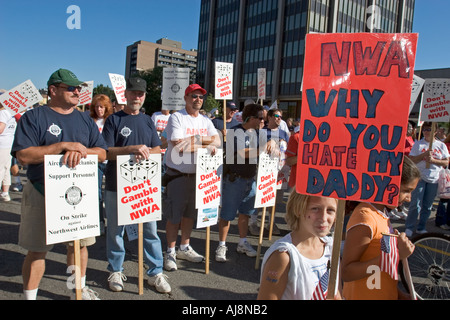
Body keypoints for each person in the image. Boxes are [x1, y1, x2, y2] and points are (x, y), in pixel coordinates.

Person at [11, 68, 107, 300]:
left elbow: (102, 153)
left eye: (79, 88)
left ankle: (77, 291)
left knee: (78, 246)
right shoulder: (33, 117)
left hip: (78, 195)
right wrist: (62, 146)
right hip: (40, 190)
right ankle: (29, 297)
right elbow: (23, 156)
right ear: (53, 90)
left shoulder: (85, 118)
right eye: (71, 88)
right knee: (37, 250)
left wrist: (82, 151)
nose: (77, 92)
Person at [102, 77, 171, 294]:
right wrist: (130, 149)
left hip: (144, 187)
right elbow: (105, 152)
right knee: (115, 230)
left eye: (140, 94)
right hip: (116, 184)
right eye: (133, 93)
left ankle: (155, 272)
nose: (137, 97)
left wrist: (146, 151)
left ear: (144, 97)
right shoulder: (114, 120)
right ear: (126, 95)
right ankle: (115, 269)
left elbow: (156, 149)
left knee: (149, 230)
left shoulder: (147, 120)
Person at [341, 156, 420, 300]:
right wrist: (394, 256)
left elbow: (379, 273)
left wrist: (400, 295)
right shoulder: (365, 217)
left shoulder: (381, 213)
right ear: (388, 184)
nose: (409, 198)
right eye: (406, 190)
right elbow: (346, 272)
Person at [163, 84, 220, 271]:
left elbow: (218, 140)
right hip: (178, 175)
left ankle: (184, 246)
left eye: (201, 97)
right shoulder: (176, 117)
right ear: (186, 98)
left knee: (189, 215)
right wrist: (205, 143)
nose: (198, 99)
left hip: (199, 176)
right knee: (174, 216)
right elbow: (179, 147)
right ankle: (170, 251)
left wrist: (194, 140)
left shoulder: (205, 121)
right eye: (194, 96)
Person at [216, 103, 278, 262]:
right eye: (260, 118)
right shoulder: (235, 132)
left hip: (250, 180)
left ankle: (242, 242)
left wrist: (272, 143)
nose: (263, 121)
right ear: (250, 118)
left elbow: (273, 147)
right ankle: (222, 245)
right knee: (227, 215)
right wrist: (263, 148)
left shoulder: (259, 133)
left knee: (245, 214)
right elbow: (242, 153)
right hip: (234, 179)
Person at [257, 191, 340, 300]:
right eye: (315, 209)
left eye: (330, 210)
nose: (324, 218)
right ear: (298, 209)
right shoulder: (284, 256)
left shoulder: (331, 248)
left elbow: (335, 292)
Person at [405, 122, 450, 236]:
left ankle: (421, 227)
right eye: (425, 129)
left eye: (429, 129)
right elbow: (412, 159)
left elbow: (446, 161)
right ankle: (409, 227)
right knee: (416, 204)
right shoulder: (418, 144)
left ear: (435, 131)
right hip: (420, 178)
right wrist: (423, 155)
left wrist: (434, 160)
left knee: (428, 205)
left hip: (434, 179)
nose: (426, 131)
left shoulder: (441, 145)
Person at [90, 94, 113, 234]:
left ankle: (114, 223)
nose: (99, 109)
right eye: (97, 106)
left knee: (111, 194)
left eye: (102, 107)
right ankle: (99, 221)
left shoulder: (111, 121)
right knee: (97, 193)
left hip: (109, 161)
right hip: (96, 162)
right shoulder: (90, 121)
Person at [0, 100, 17, 201]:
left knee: (1, 169)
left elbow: (1, 129)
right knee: (6, 169)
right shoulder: (11, 112)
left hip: (2, 144)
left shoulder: (2, 112)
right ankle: (5, 193)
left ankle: (5, 193)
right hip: (9, 143)